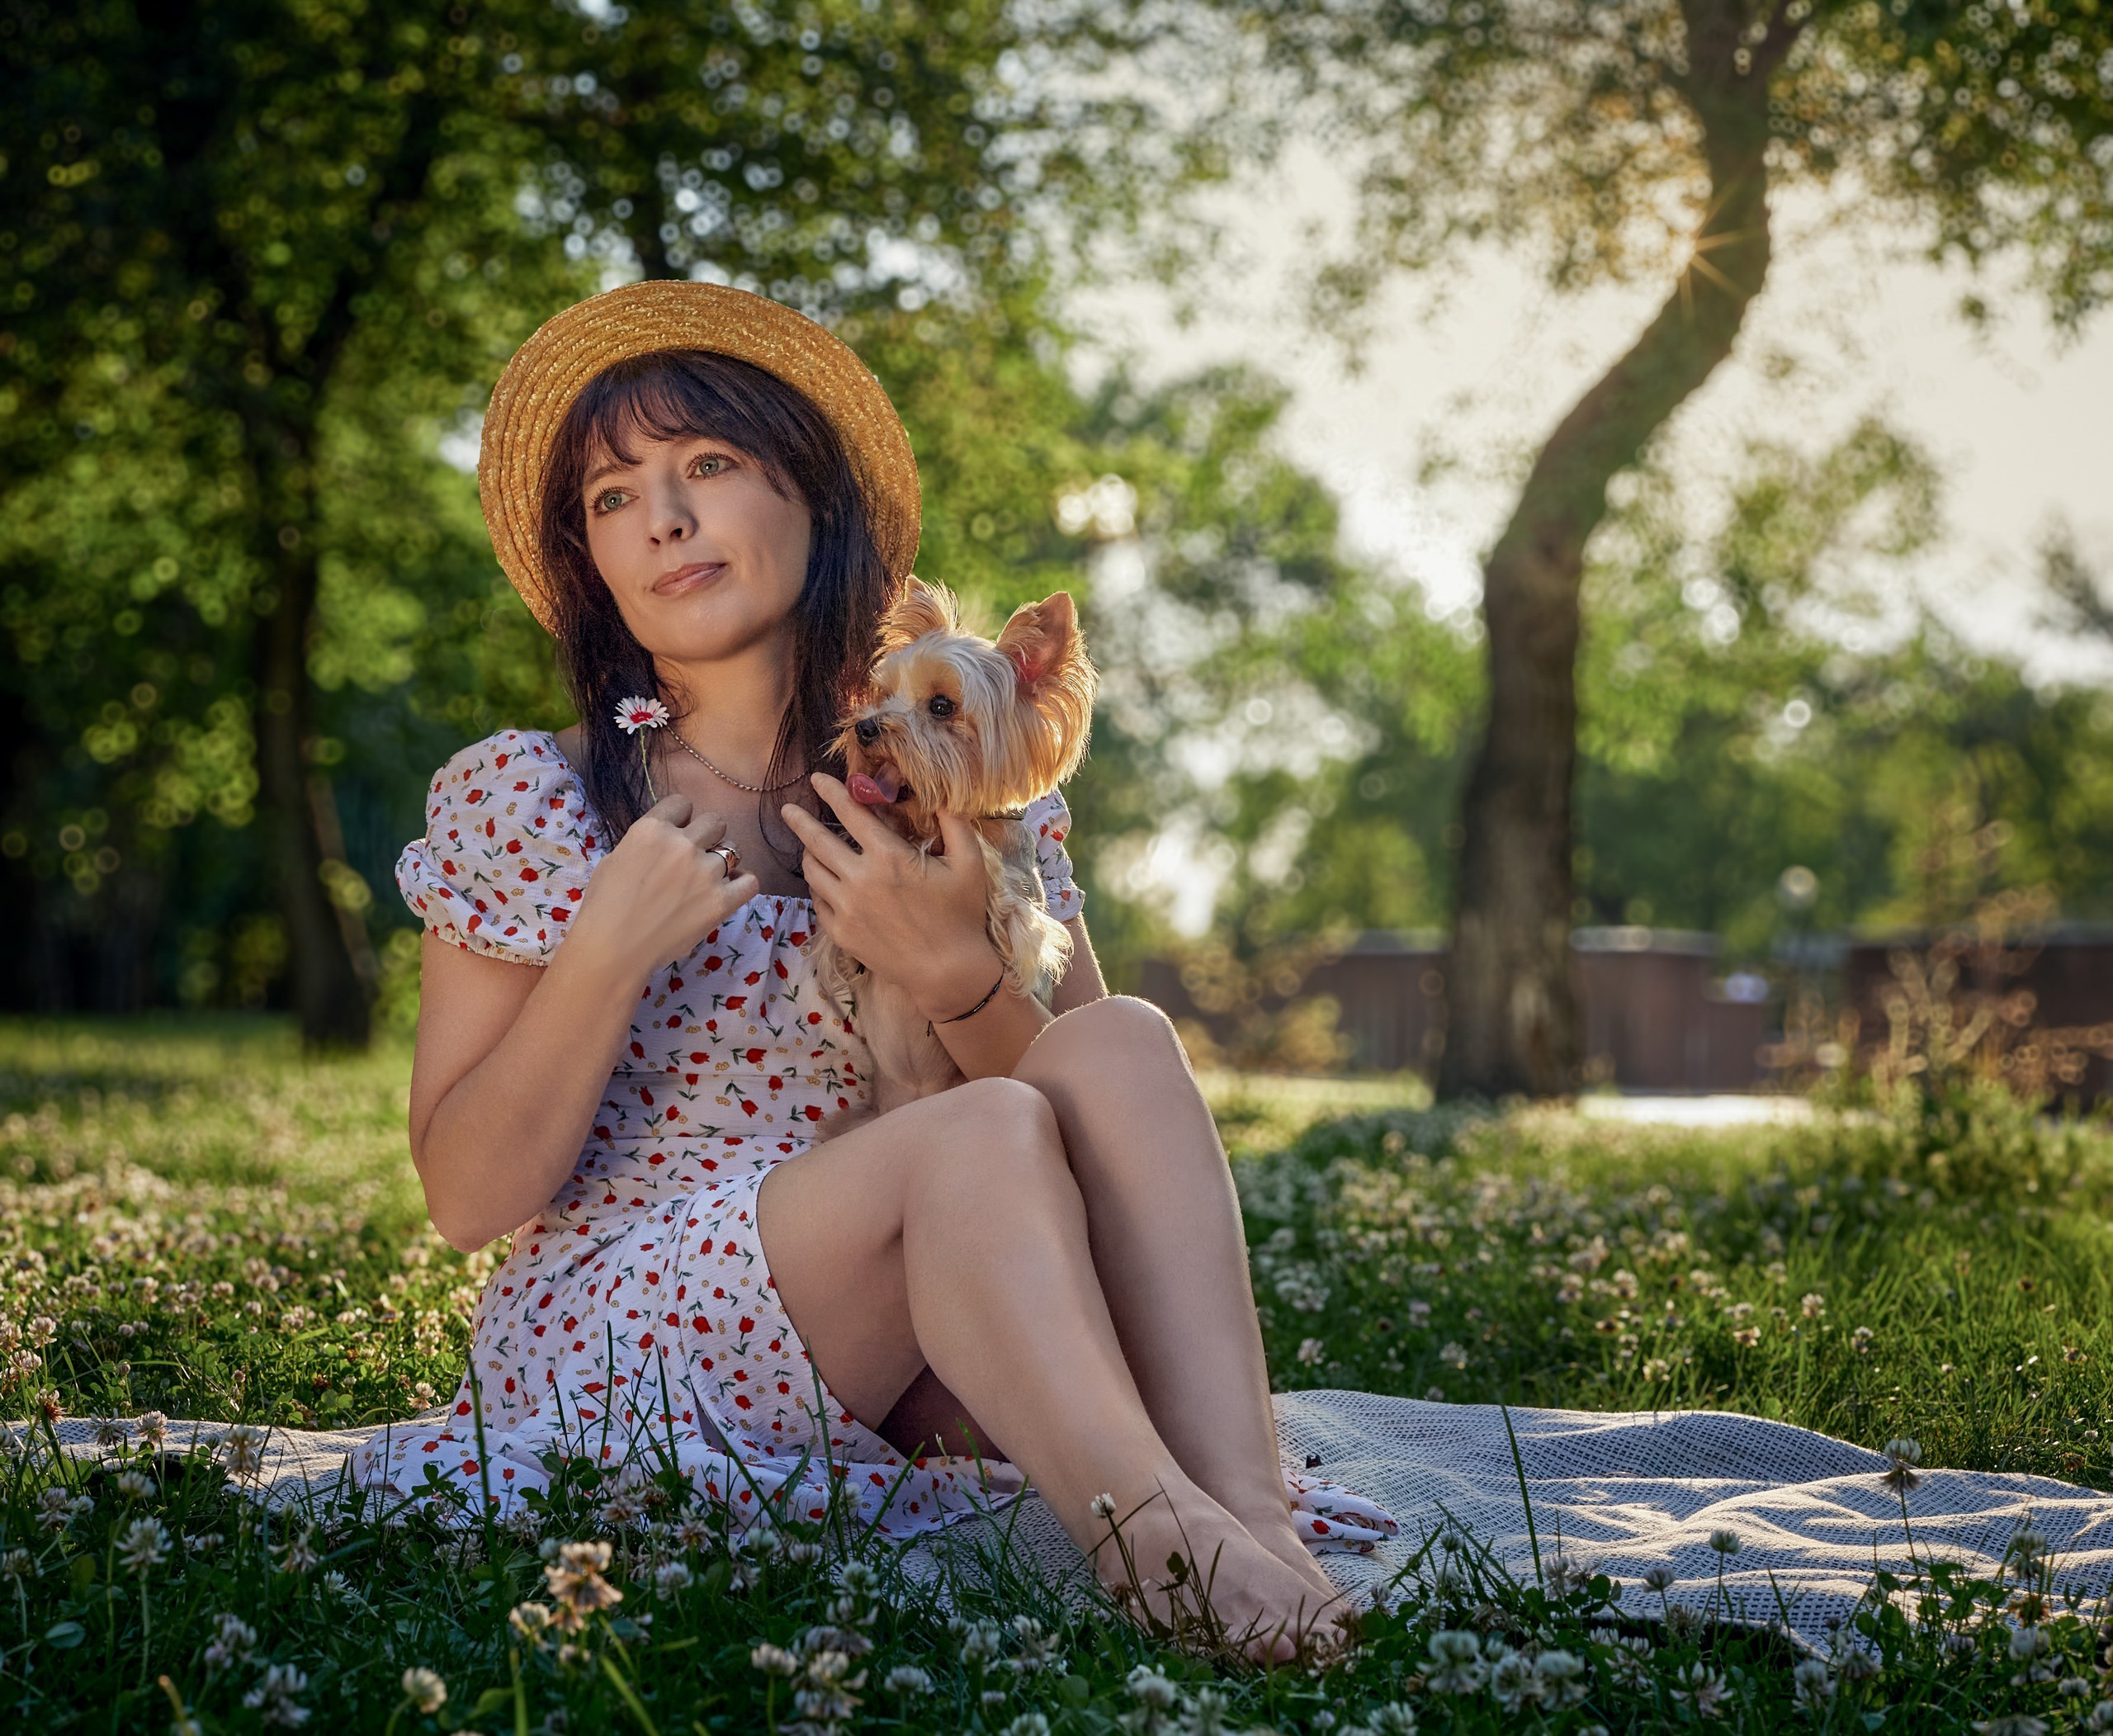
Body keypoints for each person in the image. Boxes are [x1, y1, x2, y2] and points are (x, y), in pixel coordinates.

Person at [354, 281, 1394, 1654]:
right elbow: (468, 1199)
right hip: (636, 1333)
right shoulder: (530, 796)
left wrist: (956, 976)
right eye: (613, 497)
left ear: (816, 503)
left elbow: (1102, 1145)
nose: (662, 517)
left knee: (1123, 1040)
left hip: (929, 1318)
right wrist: (604, 950)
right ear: (590, 558)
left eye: (708, 467)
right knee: (972, 1139)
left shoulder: (969, 792)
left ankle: (1249, 1519)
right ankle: (1165, 1554)